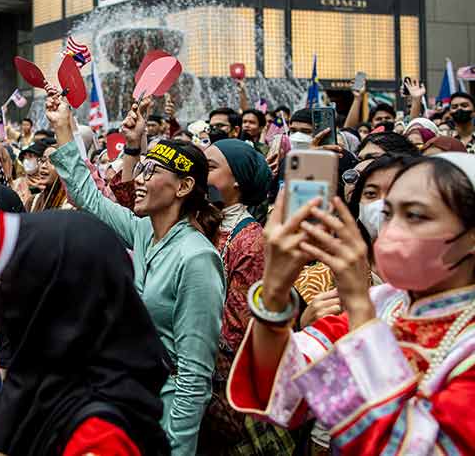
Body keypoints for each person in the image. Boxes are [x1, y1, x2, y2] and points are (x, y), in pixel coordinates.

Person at [227, 153, 475, 454]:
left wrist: (357, 305)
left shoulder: (371, 308)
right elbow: (282, 392)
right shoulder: (385, 304)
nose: (392, 229)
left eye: (415, 215)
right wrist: (275, 291)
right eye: (389, 214)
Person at [47, 93, 225, 455]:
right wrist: (64, 127)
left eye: (151, 172)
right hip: (135, 400)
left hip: (169, 410)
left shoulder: (197, 259)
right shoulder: (144, 232)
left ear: (184, 187)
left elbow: (194, 374)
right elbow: (89, 198)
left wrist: (176, 446)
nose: (139, 180)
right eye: (140, 168)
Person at [0, 211, 170, 456]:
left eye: (17, 274)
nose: (4, 289)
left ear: (55, 296)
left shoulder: (100, 438)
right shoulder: (36, 379)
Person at [199, 140, 293, 453]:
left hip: (219, 393)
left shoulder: (251, 242)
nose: (199, 173)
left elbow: (240, 331)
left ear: (237, 181)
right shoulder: (200, 223)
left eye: (210, 167)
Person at [29, 145, 73, 212]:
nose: (43, 166)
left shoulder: (71, 204)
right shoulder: (32, 201)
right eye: (43, 160)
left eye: (52, 162)